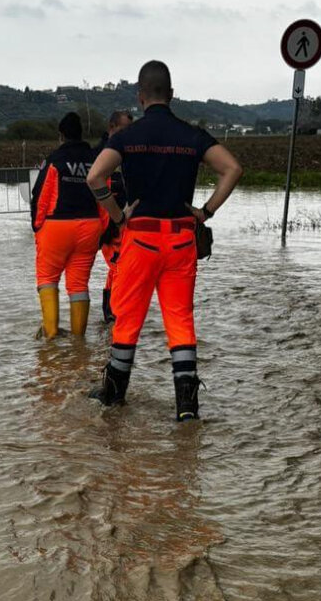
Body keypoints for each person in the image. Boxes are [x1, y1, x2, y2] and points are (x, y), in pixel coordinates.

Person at [86, 60, 243, 421]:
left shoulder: (127, 137)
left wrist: (117, 215)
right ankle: (187, 408)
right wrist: (205, 212)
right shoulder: (191, 135)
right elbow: (233, 169)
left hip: (139, 242)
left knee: (127, 319)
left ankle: (113, 396)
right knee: (180, 320)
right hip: (180, 242)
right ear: (171, 95)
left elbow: (95, 177)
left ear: (140, 96)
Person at [30, 112, 102, 339]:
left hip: (56, 226)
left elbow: (40, 195)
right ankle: (78, 339)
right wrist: (101, 229)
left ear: (61, 135)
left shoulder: (54, 160)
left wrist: (37, 225)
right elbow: (104, 194)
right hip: (90, 226)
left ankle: (50, 333)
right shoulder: (95, 159)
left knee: (47, 278)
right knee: (79, 285)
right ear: (81, 134)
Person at [91, 110, 134, 323]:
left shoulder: (130, 154)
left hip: (124, 223)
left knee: (117, 268)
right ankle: (114, 314)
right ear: (111, 127)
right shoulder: (98, 154)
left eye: (130, 130)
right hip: (106, 224)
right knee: (119, 267)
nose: (127, 134)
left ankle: (110, 315)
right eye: (123, 129)